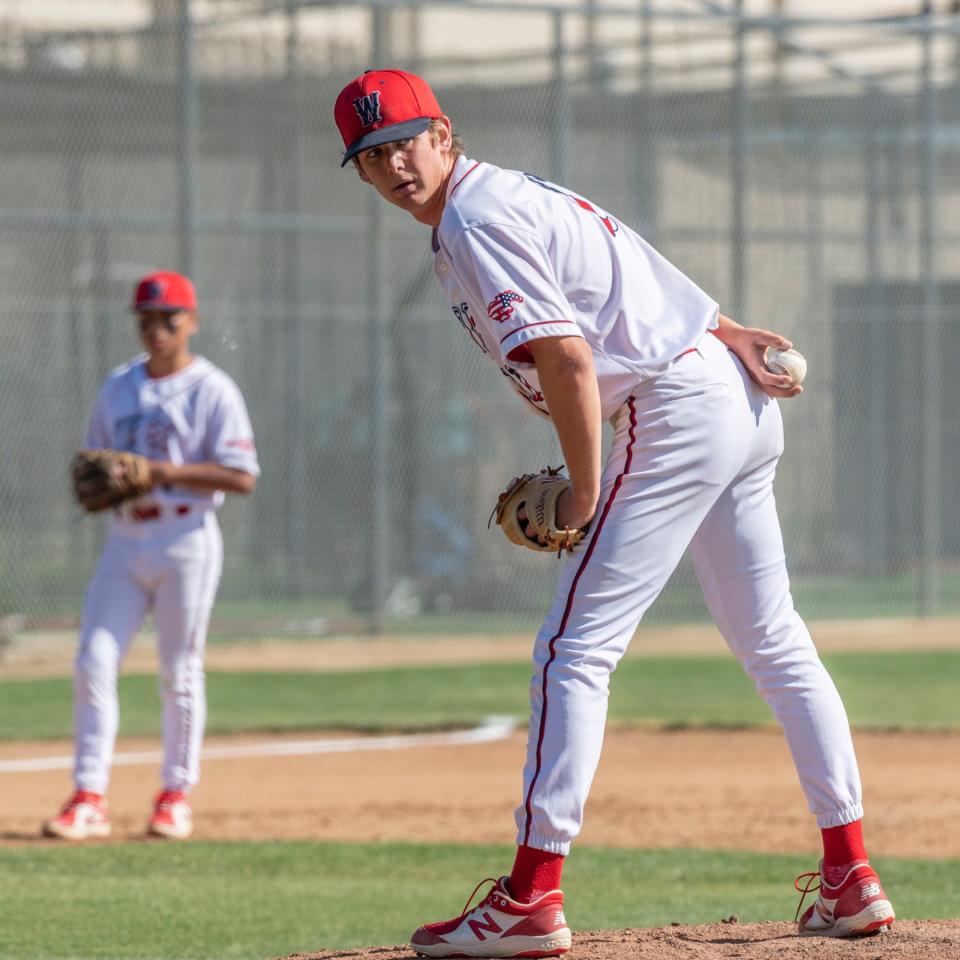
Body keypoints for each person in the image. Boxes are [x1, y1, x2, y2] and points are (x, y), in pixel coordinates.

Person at [334, 69, 895, 955]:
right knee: (774, 641)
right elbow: (632, 271)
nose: (393, 160)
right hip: (724, 400)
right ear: (361, 174)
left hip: (672, 407)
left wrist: (585, 492)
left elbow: (566, 361)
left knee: (572, 648)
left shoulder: (477, 219)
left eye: (405, 138)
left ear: (446, 133)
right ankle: (850, 875)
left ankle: (529, 898)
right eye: (371, 153)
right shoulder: (508, 196)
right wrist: (730, 332)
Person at [42, 270, 259, 842]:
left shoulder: (213, 388)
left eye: (169, 318)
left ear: (192, 322)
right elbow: (92, 460)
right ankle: (89, 796)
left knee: (178, 670)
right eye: (147, 319)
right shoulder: (119, 386)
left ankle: (174, 796)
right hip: (126, 539)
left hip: (186, 538)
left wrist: (161, 472)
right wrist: (102, 479)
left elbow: (242, 475)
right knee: (92, 659)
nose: (157, 328)